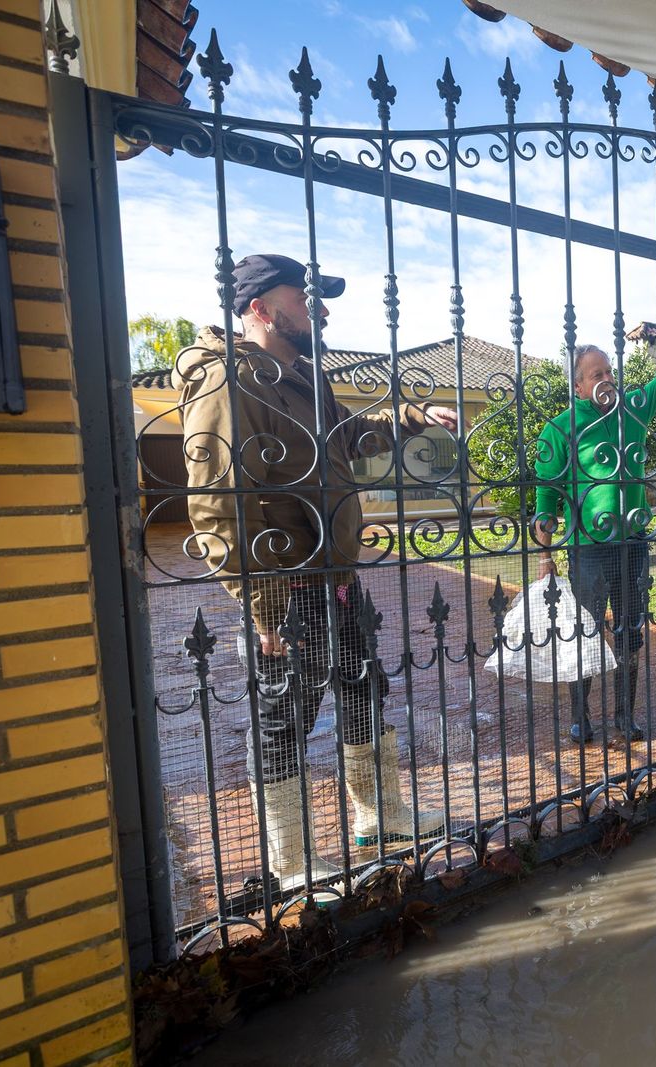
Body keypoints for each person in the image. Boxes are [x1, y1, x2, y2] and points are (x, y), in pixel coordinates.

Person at [175, 254, 460, 888]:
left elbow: (344, 440)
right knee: (284, 717)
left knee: (363, 692)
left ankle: (378, 813)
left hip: (335, 575)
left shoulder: (300, 375)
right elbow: (220, 505)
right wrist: (266, 606)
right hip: (288, 584)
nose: (321, 310)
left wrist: (412, 416)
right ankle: (292, 861)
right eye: (306, 298)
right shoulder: (229, 382)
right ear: (258, 308)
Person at [531, 285, 656, 743]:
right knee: (582, 637)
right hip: (587, 550)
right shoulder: (559, 429)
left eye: (609, 371)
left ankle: (623, 717)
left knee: (629, 634)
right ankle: (582, 718)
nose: (606, 379)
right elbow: (547, 497)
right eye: (595, 374)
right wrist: (546, 556)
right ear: (578, 385)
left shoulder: (633, 410)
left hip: (633, 546)